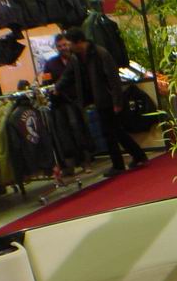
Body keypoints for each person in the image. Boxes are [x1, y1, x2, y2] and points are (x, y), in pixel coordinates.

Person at [56, 27, 148, 177]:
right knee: (115, 131)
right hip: (96, 99)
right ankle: (138, 155)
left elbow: (113, 78)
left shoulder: (100, 53)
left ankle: (119, 165)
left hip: (108, 98)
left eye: (69, 43)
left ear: (79, 42)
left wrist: (117, 101)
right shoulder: (76, 58)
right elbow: (68, 75)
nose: (68, 47)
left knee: (110, 133)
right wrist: (57, 87)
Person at [43, 32, 93, 175]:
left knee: (79, 129)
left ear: (69, 44)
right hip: (59, 104)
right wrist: (52, 90)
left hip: (76, 101)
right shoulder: (50, 64)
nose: (63, 48)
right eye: (59, 46)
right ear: (56, 47)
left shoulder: (76, 60)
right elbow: (46, 82)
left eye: (65, 45)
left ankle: (86, 161)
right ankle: (69, 165)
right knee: (64, 134)